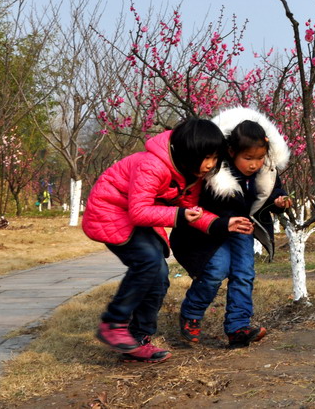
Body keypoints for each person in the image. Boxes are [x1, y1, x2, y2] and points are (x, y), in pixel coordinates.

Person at [82, 117, 251, 363]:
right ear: (187, 152)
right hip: (111, 211)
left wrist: (221, 223)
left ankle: (137, 340)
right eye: (206, 158)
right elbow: (139, 211)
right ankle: (113, 324)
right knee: (149, 262)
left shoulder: (189, 174)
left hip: (138, 216)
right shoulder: (153, 165)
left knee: (160, 276)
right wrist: (180, 215)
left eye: (215, 158)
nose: (210, 165)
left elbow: (191, 210)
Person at [171, 107, 291, 348]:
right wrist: (224, 223)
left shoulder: (266, 171)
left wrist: (280, 201)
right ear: (231, 151)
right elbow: (201, 206)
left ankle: (238, 327)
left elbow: (270, 193)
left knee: (244, 274)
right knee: (216, 271)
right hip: (210, 232)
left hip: (243, 230)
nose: (254, 164)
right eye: (248, 158)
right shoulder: (215, 173)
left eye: (259, 158)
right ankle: (191, 314)